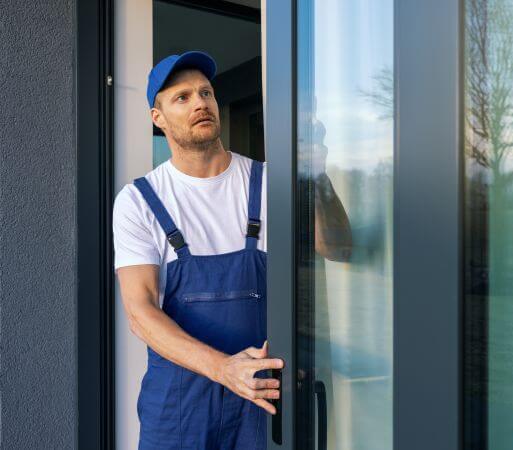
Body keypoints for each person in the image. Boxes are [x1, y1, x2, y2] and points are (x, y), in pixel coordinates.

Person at [113, 50, 351, 449]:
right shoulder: (139, 200)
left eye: (205, 92)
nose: (200, 103)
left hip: (261, 402)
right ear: (158, 118)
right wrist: (224, 369)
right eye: (182, 97)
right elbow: (140, 313)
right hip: (179, 408)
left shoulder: (268, 182)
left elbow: (339, 248)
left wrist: (318, 175)